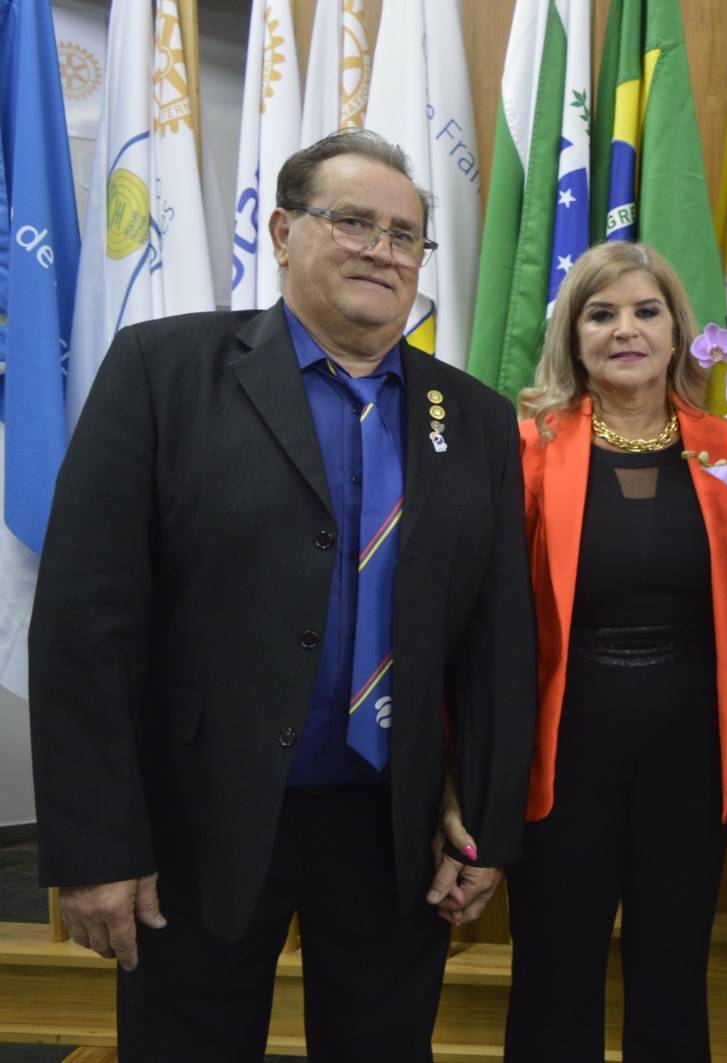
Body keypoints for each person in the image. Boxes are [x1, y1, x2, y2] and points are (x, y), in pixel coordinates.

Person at [28, 130, 538, 1062]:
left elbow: (497, 637)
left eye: (405, 234)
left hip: (392, 829)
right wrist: (96, 843)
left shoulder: (473, 417)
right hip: (197, 823)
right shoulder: (160, 371)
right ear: (281, 230)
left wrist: (488, 825)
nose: (381, 250)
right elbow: (83, 624)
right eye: (352, 221)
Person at [505, 241, 727, 1062]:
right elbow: (488, 626)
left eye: (645, 310)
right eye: (601, 312)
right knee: (555, 977)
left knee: (672, 976)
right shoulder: (525, 450)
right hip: (561, 755)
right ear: (574, 336)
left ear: (677, 331)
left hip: (692, 757)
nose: (626, 329)